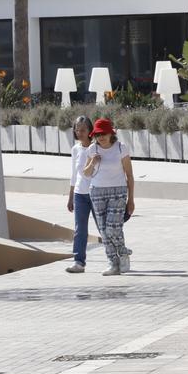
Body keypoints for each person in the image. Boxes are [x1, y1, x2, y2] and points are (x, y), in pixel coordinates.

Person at [82, 117, 135, 275]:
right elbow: (86, 173)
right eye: (97, 135)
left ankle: (123, 253)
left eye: (104, 133)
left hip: (118, 191)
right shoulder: (92, 149)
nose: (101, 137)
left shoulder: (121, 148)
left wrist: (131, 200)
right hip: (97, 191)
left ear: (111, 134)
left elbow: (130, 175)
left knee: (113, 227)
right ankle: (113, 262)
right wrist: (93, 162)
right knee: (104, 231)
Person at [65, 116, 94, 274]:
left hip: (96, 193)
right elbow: (74, 175)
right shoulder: (75, 149)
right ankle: (78, 262)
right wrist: (70, 197)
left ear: (90, 131)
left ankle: (116, 257)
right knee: (80, 230)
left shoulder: (96, 147)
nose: (80, 132)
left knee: (105, 228)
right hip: (79, 194)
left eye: (83, 130)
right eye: (77, 130)